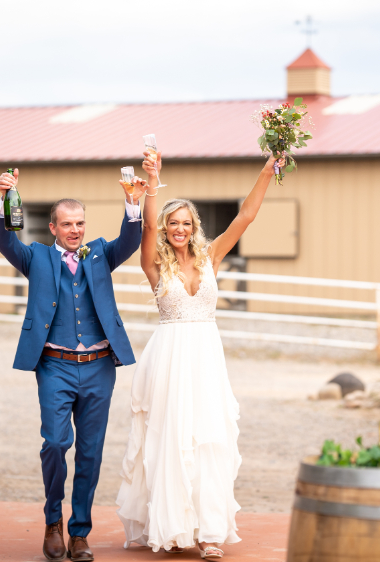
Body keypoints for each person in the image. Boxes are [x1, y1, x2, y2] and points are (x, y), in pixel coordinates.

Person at [116, 151, 284, 560]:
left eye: (185, 223)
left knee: (209, 438)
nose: (178, 228)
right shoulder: (154, 263)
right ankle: (174, 529)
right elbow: (148, 227)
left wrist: (267, 169)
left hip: (207, 357)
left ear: (194, 228)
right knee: (172, 440)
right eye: (173, 223)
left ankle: (209, 533)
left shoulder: (211, 258)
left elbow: (245, 217)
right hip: (170, 358)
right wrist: (153, 182)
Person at [0, 167, 147, 562]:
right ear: (53, 227)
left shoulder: (100, 254)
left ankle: (79, 533)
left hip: (99, 366)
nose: (75, 230)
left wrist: (132, 201)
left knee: (91, 452)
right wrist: (4, 201)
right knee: (57, 443)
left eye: (80, 223)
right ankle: (52, 521)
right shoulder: (37, 258)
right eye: (67, 224)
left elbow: (131, 240)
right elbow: (4, 241)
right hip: (54, 366)